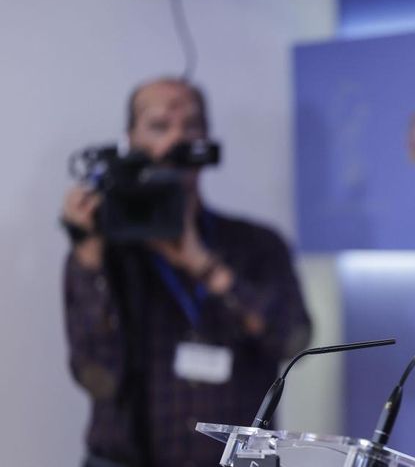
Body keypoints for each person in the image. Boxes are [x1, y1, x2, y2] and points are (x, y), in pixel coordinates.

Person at [61, 78, 312, 467]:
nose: (177, 138)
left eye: (191, 125)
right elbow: (97, 377)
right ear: (131, 141)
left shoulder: (257, 244)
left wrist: (205, 266)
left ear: (206, 141)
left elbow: (293, 341)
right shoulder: (104, 253)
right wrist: (89, 259)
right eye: (160, 126)